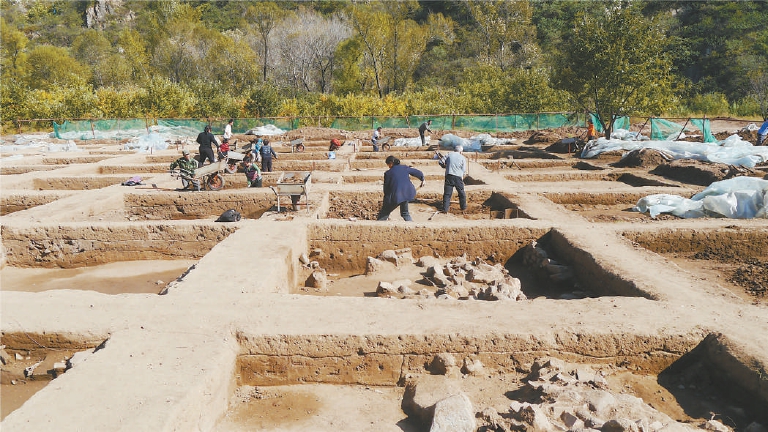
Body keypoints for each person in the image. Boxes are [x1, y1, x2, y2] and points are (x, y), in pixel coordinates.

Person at [377, 155, 425, 221]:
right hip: (407, 193)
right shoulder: (404, 168)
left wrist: (386, 201)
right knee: (405, 213)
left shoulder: (388, 173)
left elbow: (386, 189)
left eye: (388, 164)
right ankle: (411, 226)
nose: (388, 166)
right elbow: (418, 172)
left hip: (396, 196)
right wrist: (423, 179)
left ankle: (379, 225)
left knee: (384, 213)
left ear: (391, 163)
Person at [442, 145, 467, 214]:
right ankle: (463, 208)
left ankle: (445, 209)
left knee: (447, 194)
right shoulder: (462, 158)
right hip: (458, 177)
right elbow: (463, 170)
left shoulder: (449, 155)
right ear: (461, 151)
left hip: (449, 176)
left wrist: (445, 166)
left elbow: (441, 162)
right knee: (461, 193)